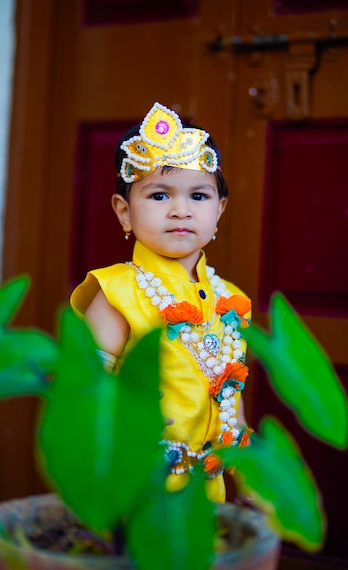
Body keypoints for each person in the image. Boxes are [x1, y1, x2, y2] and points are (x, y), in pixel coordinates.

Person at [70, 102, 252, 503]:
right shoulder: (116, 294)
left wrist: (256, 476)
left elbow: (230, 398)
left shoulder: (233, 302)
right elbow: (83, 393)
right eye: (158, 195)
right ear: (125, 213)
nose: (180, 210)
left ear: (219, 211)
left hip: (207, 491)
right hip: (137, 485)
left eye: (199, 195)